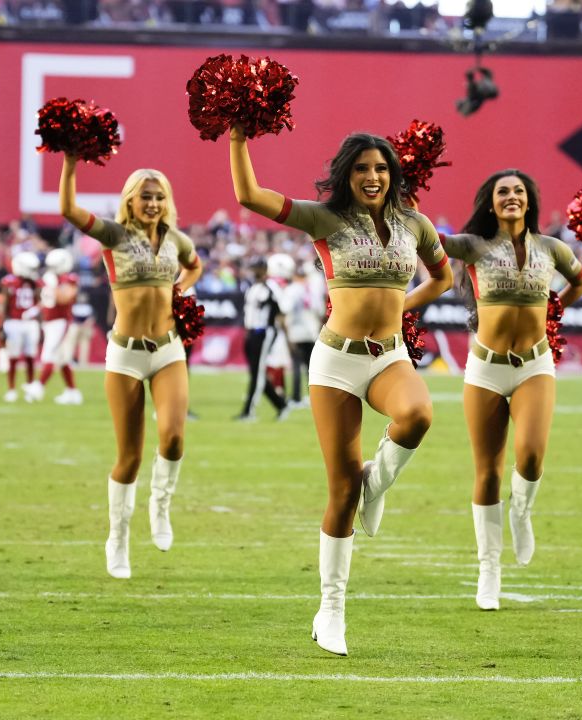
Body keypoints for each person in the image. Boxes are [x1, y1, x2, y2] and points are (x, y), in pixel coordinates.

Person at [229, 127, 453, 655]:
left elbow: (444, 278)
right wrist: (238, 138)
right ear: (346, 175)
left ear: (392, 173)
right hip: (334, 364)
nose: (372, 177)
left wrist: (402, 307)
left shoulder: (414, 224)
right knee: (339, 490)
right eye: (361, 169)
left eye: (380, 168)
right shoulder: (325, 219)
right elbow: (250, 196)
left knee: (418, 414)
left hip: (388, 357)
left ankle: (377, 482)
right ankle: (331, 609)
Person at [442, 169, 582, 610]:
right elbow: (431, 239)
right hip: (485, 369)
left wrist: (554, 306)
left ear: (530, 202)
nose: (511, 197)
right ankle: (490, 567)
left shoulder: (552, 249)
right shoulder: (474, 245)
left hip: (534, 365)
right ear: (490, 203)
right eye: (502, 192)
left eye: (518, 191)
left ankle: (522, 511)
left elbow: (581, 281)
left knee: (529, 455)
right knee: (487, 471)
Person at [59, 154, 202, 579]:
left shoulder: (176, 239)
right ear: (130, 200)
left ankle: (160, 506)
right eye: (145, 196)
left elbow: (195, 266)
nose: (153, 203)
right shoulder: (114, 235)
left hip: (167, 349)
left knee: (174, 438)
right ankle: (118, 537)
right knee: (129, 457)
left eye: (159, 197)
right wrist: (70, 163)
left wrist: (182, 289)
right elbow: (69, 211)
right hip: (124, 353)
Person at [24, 248, 83, 405]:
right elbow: (46, 301)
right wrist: (35, 309)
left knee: (49, 355)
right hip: (49, 322)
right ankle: (73, 392)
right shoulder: (51, 278)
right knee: (63, 360)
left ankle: (38, 387)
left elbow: (65, 298)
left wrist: (53, 286)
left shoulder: (68, 279)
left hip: (60, 321)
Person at [235, 257, 291, 421]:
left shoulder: (272, 287)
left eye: (256, 268)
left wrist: (281, 332)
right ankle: (281, 404)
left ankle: (248, 411)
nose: (254, 272)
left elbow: (283, 309)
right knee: (256, 373)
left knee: (258, 373)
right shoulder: (252, 288)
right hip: (251, 332)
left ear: (265, 270)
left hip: (264, 332)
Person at [0, 251, 42, 402]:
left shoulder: (36, 283)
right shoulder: (9, 281)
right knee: (13, 357)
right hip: (14, 322)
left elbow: (39, 303)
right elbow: (4, 305)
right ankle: (11, 389)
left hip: (30, 323)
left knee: (30, 357)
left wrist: (40, 325)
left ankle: (30, 388)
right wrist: (2, 325)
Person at [282, 262, 322, 408]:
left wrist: (286, 331)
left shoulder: (291, 289)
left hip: (295, 332)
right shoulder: (311, 289)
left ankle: (296, 397)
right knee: (311, 368)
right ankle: (314, 398)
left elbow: (285, 309)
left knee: (296, 365)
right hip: (311, 332)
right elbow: (319, 312)